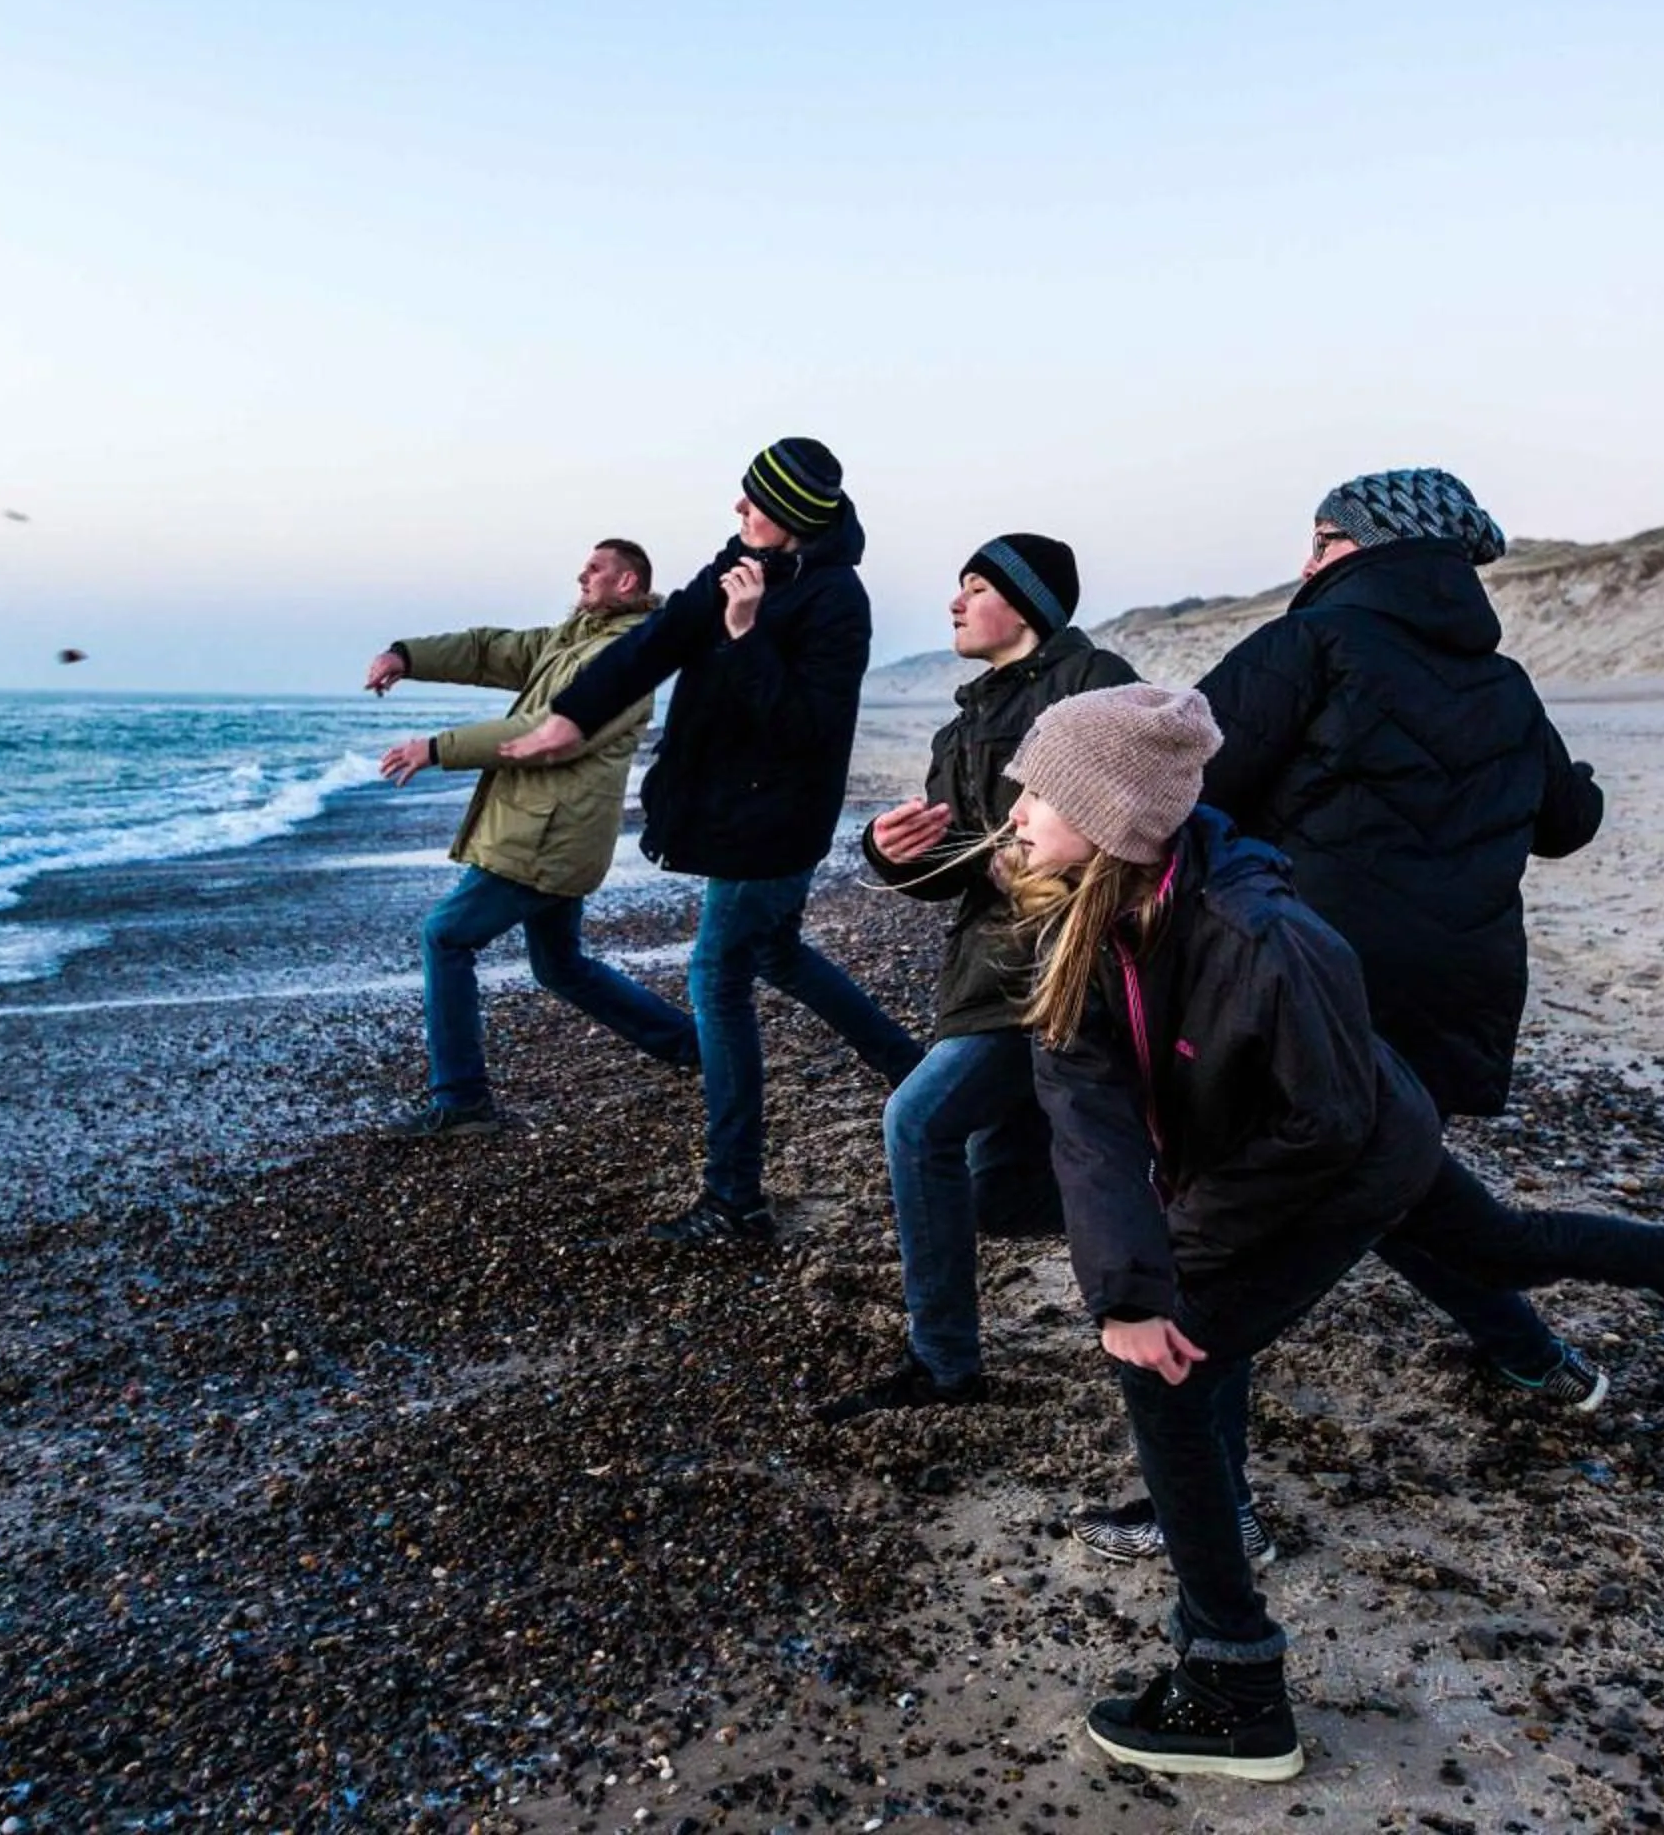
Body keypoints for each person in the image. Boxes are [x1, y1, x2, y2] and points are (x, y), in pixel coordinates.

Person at [1002, 685, 1664, 1781]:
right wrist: (1128, 1273)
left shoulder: (1268, 937)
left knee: (1172, 1359)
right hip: (1309, 1134)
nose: (1013, 810)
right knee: (1493, 1249)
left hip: (1348, 1148)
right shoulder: (1085, 901)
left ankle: (1233, 1680)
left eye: (1038, 792)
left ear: (1114, 817)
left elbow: (1326, 1126)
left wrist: (1162, 1271)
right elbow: (1084, 1098)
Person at [1076, 467, 1615, 1562]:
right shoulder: (1504, 680)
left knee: (1217, 1245)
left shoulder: (1305, 645)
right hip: (1448, 987)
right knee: (1394, 1181)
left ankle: (1217, 1513)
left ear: (1359, 545)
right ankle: (1539, 1356)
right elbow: (1567, 822)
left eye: (1320, 536)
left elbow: (1181, 780)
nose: (1307, 557)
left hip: (1302, 987)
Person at [501, 438, 922, 1242]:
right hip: (742, 815)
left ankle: (735, 1200)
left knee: (717, 980)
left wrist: (744, 632)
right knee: (777, 954)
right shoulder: (739, 560)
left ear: (791, 517)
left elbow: (807, 728)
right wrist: (571, 716)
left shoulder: (837, 599)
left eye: (753, 501)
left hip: (776, 825)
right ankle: (927, 1078)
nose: (738, 511)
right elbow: (651, 647)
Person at [814, 536, 1139, 1421]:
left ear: (1027, 603)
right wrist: (884, 854)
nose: (956, 603)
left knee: (919, 1121)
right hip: (989, 970)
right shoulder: (959, 727)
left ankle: (948, 1365)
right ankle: (1137, 1312)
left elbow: (1141, 811)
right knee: (1029, 1181)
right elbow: (948, 867)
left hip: (1073, 967)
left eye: (976, 587)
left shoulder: (1095, 680)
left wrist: (1040, 869)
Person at [365, 538, 699, 1135]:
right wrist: (406, 655)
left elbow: (547, 732)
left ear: (628, 583)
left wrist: (437, 748)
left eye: (595, 568)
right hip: (549, 832)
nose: (582, 575)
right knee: (561, 965)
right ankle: (693, 1047)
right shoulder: (572, 639)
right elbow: (490, 650)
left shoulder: (629, 653)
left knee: (446, 936)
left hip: (545, 836)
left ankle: (462, 1099)